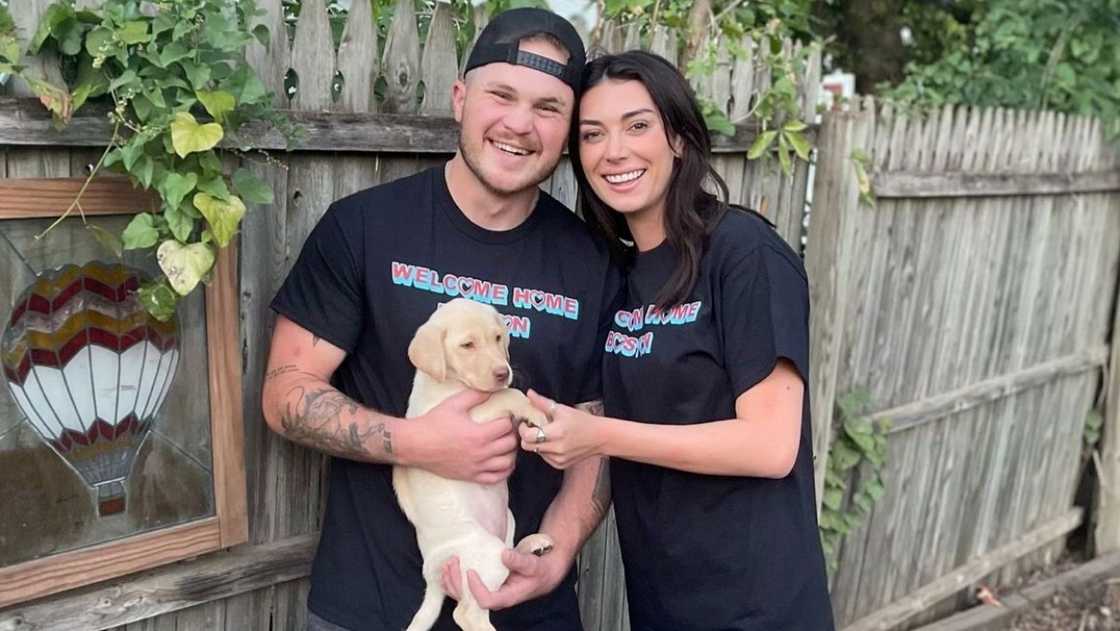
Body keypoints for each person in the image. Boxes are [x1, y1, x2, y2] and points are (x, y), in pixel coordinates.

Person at [260, 9, 619, 630]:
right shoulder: (363, 228)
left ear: (567, 131)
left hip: (527, 608)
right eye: (501, 95)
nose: (519, 124)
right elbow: (285, 392)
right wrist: (420, 443)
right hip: (369, 608)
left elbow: (598, 437)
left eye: (547, 108)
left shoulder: (595, 264)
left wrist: (557, 554)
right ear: (460, 99)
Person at [513, 50, 836, 629]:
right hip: (663, 599)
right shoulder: (619, 275)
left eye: (637, 125)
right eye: (592, 134)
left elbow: (770, 446)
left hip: (757, 605)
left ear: (680, 138)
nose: (614, 151)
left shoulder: (743, 253)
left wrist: (599, 435)